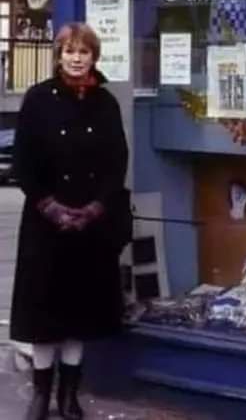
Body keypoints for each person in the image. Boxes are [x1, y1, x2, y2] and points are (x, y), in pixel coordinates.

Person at [10, 22, 129, 420]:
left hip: (90, 226)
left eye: (84, 52)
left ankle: (68, 395)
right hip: (46, 225)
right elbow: (23, 162)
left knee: (80, 314)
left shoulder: (106, 103)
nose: (77, 59)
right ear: (58, 55)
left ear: (94, 57)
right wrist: (51, 208)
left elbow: (117, 163)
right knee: (44, 314)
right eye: (70, 51)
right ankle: (41, 393)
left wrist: (94, 209)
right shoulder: (38, 99)